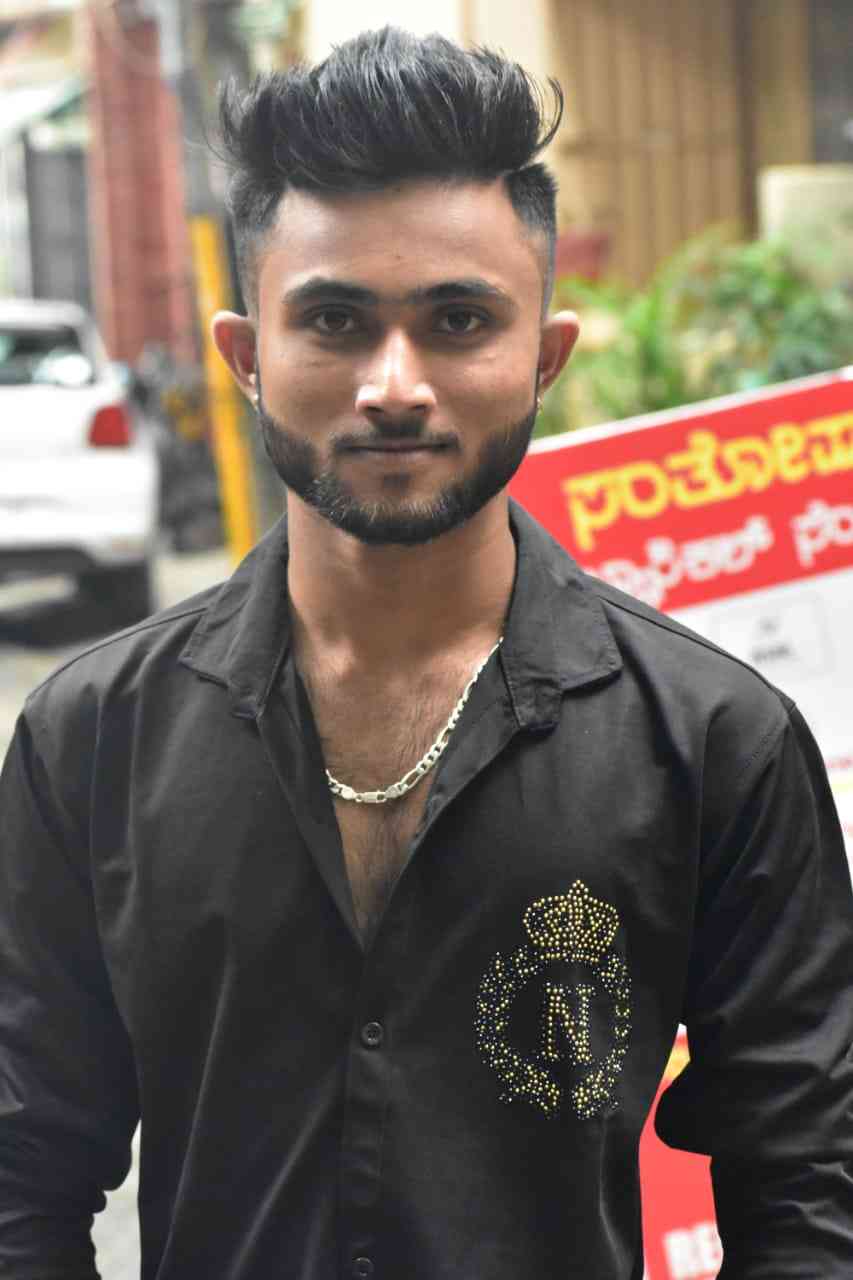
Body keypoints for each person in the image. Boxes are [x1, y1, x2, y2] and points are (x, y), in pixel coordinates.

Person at [1, 27, 851, 1280]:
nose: (393, 384)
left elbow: (811, 1189)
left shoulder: (715, 740)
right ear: (244, 356)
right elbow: (21, 1175)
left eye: (458, 319)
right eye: (334, 319)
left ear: (544, 357)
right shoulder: (92, 736)